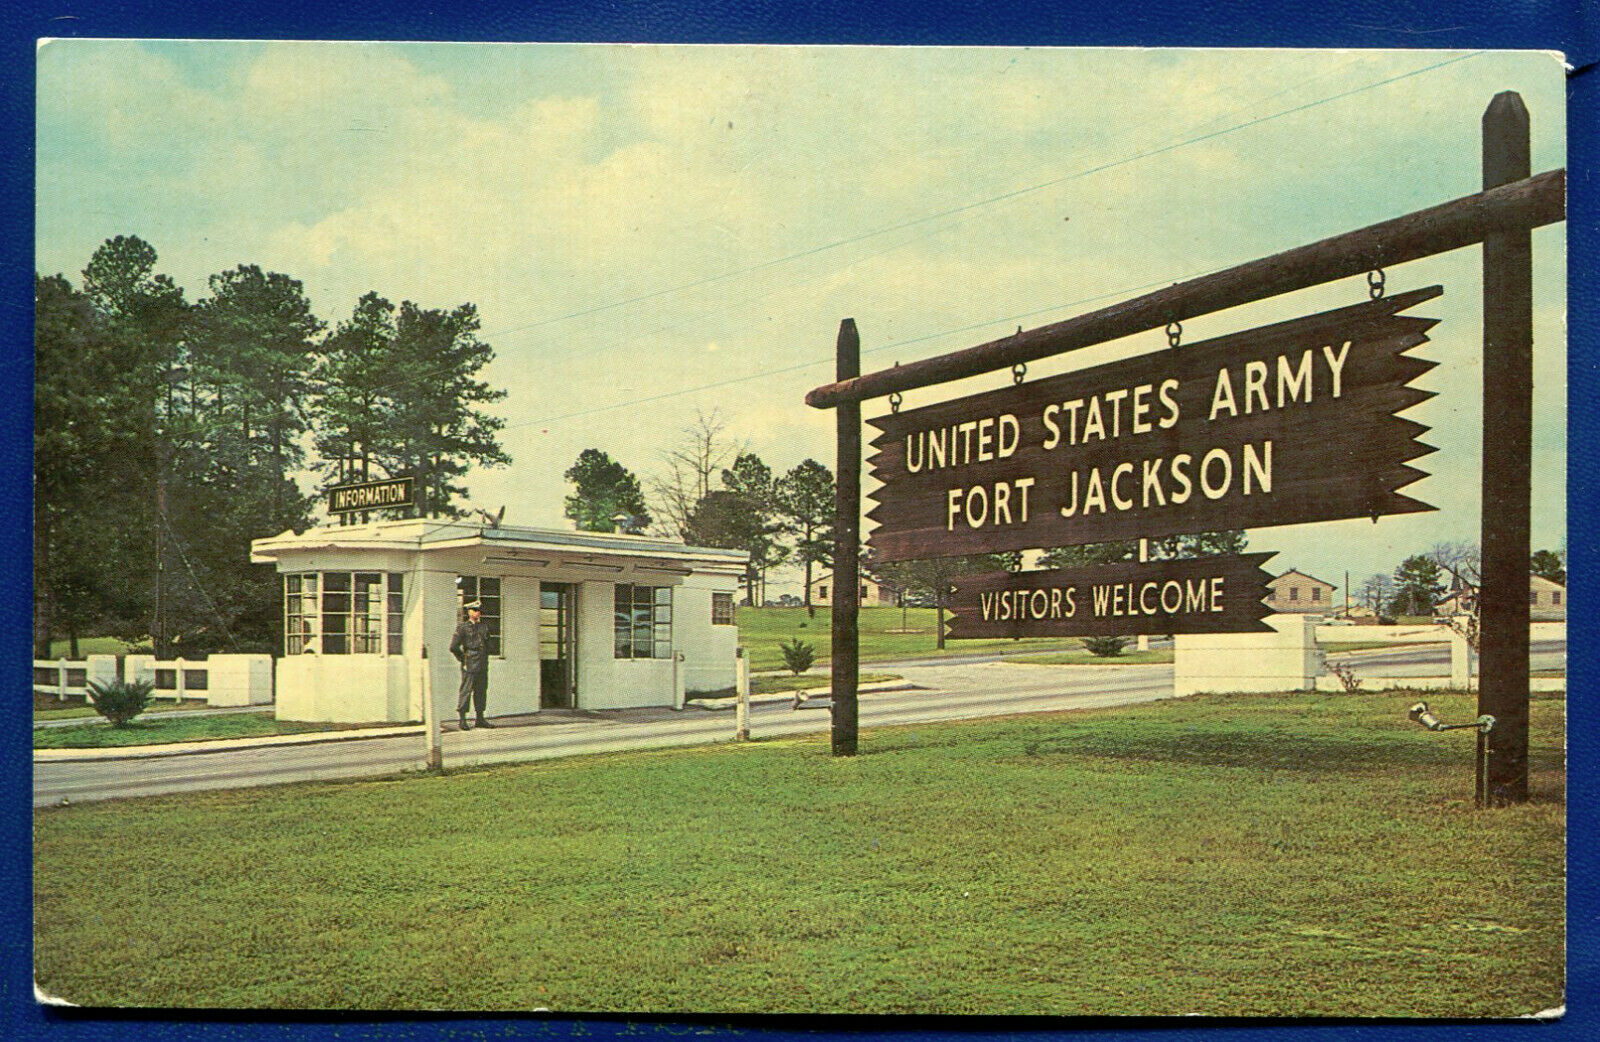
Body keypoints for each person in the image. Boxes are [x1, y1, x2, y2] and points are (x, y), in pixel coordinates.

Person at [450, 600, 494, 729]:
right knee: (466, 691)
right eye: (475, 610)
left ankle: (480, 719)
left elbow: (488, 644)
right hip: (469, 663)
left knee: (481, 691)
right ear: (469, 612)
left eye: (479, 610)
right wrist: (463, 659)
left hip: (482, 663)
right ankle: (462, 720)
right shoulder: (462, 628)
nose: (478, 613)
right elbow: (453, 647)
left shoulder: (483, 627)